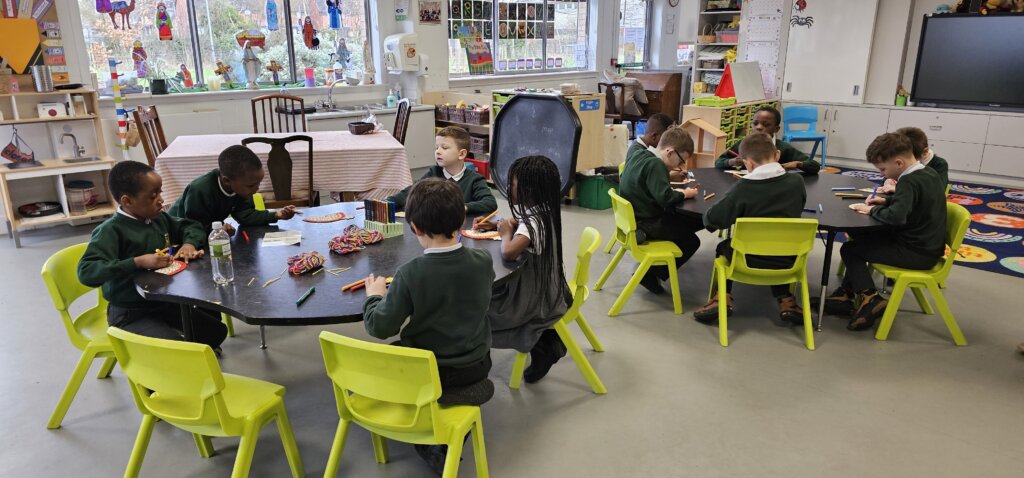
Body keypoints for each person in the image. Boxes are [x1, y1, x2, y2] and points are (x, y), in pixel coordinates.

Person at [362, 178, 495, 475]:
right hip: (475, 365)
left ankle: (430, 416)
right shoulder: (483, 260)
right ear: (462, 218)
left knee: (388, 359)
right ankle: (459, 398)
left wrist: (374, 297)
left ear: (415, 228)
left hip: (426, 371)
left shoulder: (410, 273)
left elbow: (379, 327)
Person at [78, 161, 227, 351]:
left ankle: (190, 362)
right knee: (177, 350)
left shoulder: (157, 219)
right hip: (131, 312)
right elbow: (86, 272)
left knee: (215, 333)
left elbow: (191, 226)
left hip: (162, 304)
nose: (161, 200)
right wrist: (137, 262)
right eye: (153, 195)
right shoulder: (110, 231)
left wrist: (188, 244)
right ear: (127, 201)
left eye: (160, 192)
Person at [820, 132, 946, 331]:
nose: (882, 174)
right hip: (927, 246)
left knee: (850, 250)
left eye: (882, 169)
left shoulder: (908, 181)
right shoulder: (928, 174)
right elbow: (916, 204)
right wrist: (887, 201)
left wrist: (873, 209)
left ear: (898, 163)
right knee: (862, 235)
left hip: (916, 253)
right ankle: (846, 293)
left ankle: (871, 298)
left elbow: (896, 217)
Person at [473, 156, 572, 383]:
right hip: (550, 286)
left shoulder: (534, 222)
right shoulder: (544, 211)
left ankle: (543, 344)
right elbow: (521, 226)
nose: (509, 187)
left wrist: (505, 233)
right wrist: (498, 224)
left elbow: (508, 251)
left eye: (513, 183)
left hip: (535, 297)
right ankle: (545, 342)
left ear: (528, 189)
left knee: (480, 311)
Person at [693, 133, 808, 323]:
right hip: (789, 259)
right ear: (777, 155)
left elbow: (712, 219)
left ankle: (722, 298)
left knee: (724, 247)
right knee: (776, 243)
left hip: (747, 260)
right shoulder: (797, 183)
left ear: (748, 164)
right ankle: (786, 300)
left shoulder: (743, 188)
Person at [618, 126, 703, 294]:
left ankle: (662, 260)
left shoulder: (639, 153)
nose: (681, 165)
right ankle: (650, 275)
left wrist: (667, 176)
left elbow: (642, 176)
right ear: (670, 152)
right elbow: (665, 198)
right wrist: (685, 193)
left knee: (690, 223)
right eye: (681, 161)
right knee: (692, 241)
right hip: (646, 222)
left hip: (634, 218)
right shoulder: (656, 164)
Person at [168, 145, 298, 235]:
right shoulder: (200, 190)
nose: (256, 189)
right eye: (252, 185)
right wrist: (217, 231)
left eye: (259, 183)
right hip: (173, 233)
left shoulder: (241, 188)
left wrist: (276, 215)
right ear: (226, 181)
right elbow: (193, 227)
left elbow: (246, 215)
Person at [387, 126, 497, 214]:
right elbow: (410, 192)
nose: (438, 152)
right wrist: (385, 202)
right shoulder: (434, 172)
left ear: (462, 154)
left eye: (444, 148)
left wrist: (464, 207)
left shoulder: (475, 179)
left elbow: (490, 203)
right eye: (436, 147)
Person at [715, 106, 821, 175]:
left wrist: (797, 164)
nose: (759, 127)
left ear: (776, 129)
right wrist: (731, 161)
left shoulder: (783, 148)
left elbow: (814, 166)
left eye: (766, 125)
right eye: (755, 123)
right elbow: (718, 162)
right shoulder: (744, 144)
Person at [878, 126, 949, 193]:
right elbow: (887, 177)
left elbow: (938, 191)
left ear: (925, 152)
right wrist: (887, 181)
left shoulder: (939, 164)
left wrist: (899, 189)